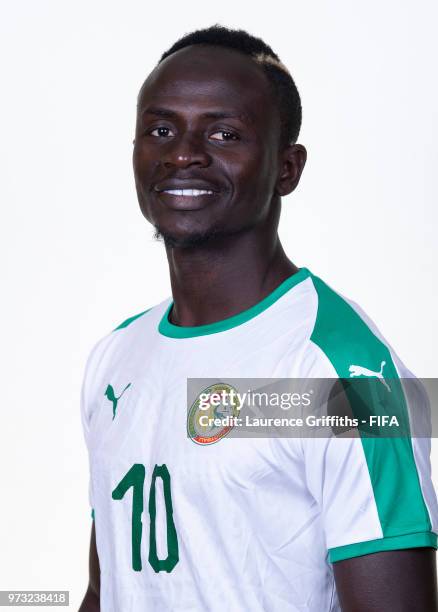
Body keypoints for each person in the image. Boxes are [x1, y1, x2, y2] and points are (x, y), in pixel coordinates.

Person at [79, 25, 438, 612]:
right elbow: (106, 588)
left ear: (287, 168)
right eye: (160, 130)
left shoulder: (344, 379)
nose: (183, 154)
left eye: (224, 133)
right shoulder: (114, 358)